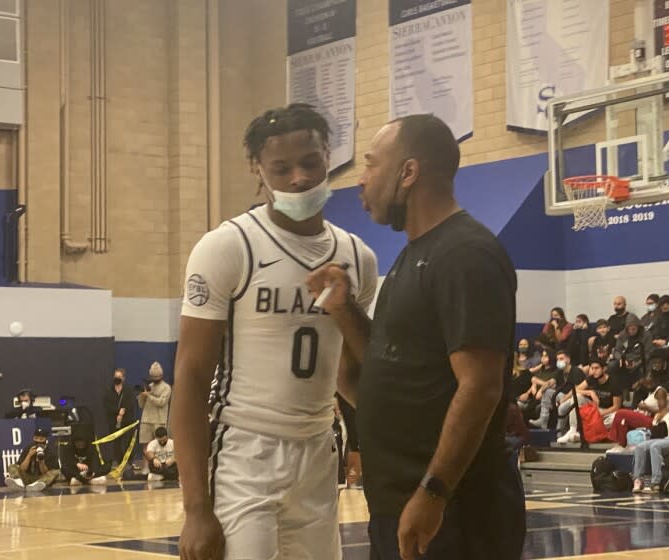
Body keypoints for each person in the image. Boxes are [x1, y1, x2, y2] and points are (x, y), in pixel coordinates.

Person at [307, 114, 525, 559]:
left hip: (455, 513)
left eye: (370, 165)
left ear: (408, 172)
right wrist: (344, 309)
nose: (361, 181)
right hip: (402, 504)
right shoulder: (414, 256)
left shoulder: (465, 254)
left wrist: (433, 492)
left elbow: (481, 386)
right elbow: (390, 367)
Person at [171, 104, 378, 560]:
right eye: (281, 168)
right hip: (246, 449)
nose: (299, 179)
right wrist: (195, 508)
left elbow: (352, 376)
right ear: (257, 170)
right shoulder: (227, 246)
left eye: (310, 162)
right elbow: (189, 376)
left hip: (321, 446)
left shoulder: (357, 256)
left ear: (329, 155)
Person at [138, 362, 171, 472]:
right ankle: (146, 467)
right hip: (146, 419)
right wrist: (141, 396)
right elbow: (141, 405)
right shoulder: (149, 387)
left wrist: (149, 396)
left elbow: (161, 402)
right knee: (146, 446)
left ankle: (159, 467)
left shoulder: (166, 387)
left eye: (156, 377)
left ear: (161, 376)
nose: (154, 379)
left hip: (159, 420)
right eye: (153, 377)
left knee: (158, 445)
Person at [102, 367, 137, 466]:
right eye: (115, 377)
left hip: (127, 421)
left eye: (119, 377)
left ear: (123, 378)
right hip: (113, 422)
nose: (116, 379)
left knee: (128, 442)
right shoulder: (108, 391)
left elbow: (131, 403)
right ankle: (119, 462)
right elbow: (107, 406)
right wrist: (118, 412)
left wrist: (123, 412)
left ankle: (129, 462)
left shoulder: (128, 390)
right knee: (116, 444)